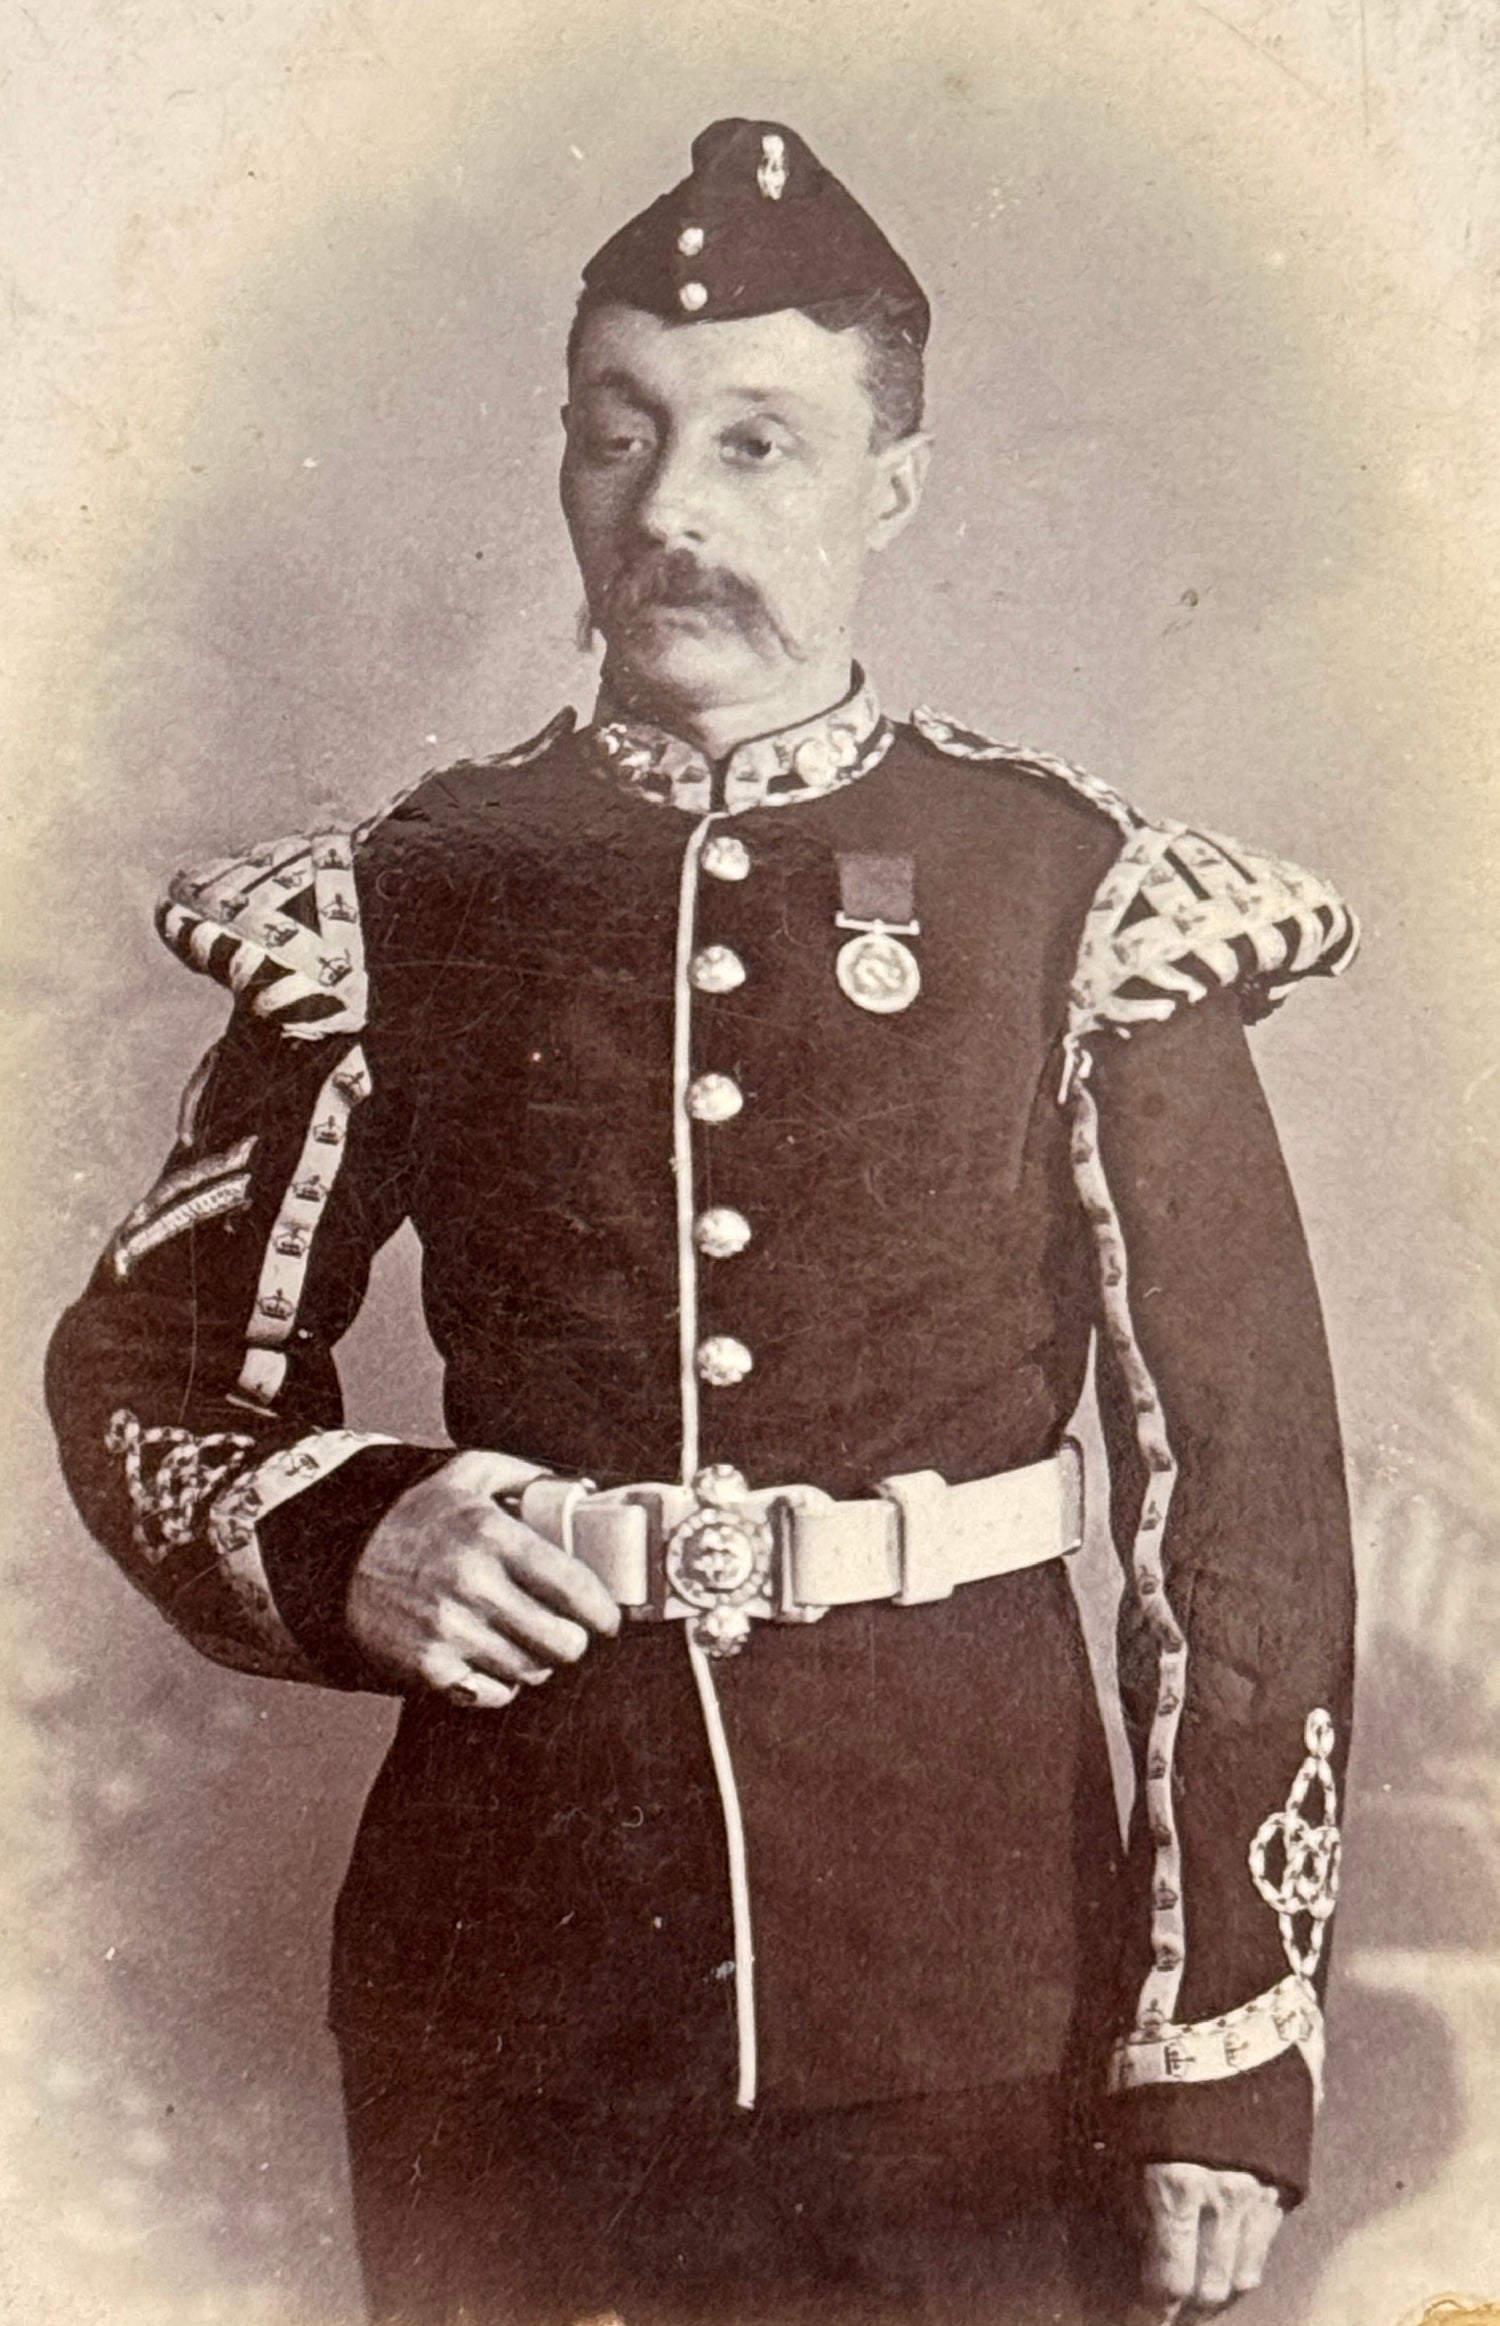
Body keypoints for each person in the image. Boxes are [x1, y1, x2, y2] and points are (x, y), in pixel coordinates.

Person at [46, 118, 1358, 2326]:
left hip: (974, 2006)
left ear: (890, 489)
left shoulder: (1070, 896)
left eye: (760, 445)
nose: (670, 516)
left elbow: (1246, 1492)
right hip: (508, 1999)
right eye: (618, 436)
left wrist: (1219, 2039)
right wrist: (347, 1520)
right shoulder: (407, 896)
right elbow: (149, 1368)